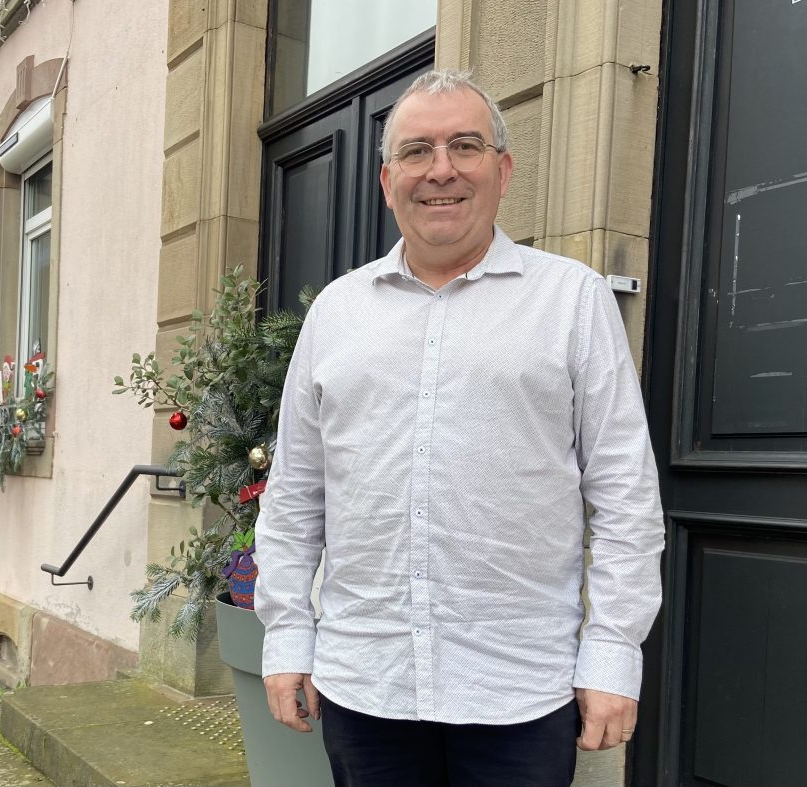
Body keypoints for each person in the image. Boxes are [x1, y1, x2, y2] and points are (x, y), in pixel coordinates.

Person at [254, 68, 664, 787]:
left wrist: (612, 652)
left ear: (502, 171)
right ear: (387, 180)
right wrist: (288, 634)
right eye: (416, 151)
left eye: (464, 146)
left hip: (517, 691)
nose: (439, 170)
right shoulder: (337, 314)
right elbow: (294, 496)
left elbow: (625, 494)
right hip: (364, 683)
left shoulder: (571, 301)